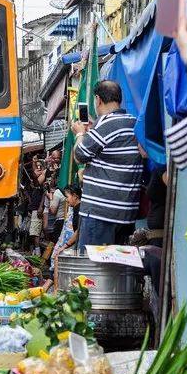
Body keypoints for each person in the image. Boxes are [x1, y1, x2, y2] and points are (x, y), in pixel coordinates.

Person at [71, 80, 144, 252]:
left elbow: (80, 155)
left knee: (91, 271)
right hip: (126, 213)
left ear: (98, 100)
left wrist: (80, 134)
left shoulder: (107, 124)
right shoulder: (132, 122)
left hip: (100, 213)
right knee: (116, 270)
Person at [50, 184, 82, 271]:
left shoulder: (79, 210)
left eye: (67, 197)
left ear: (75, 196)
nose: (66, 200)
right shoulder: (75, 209)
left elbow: (79, 231)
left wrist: (65, 246)